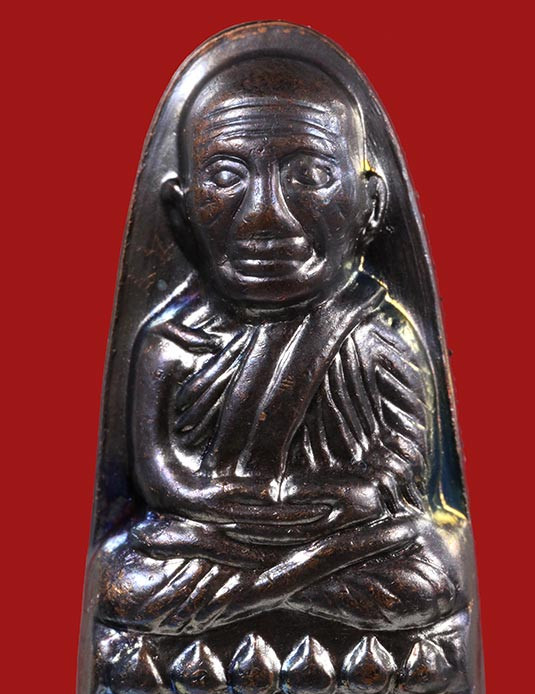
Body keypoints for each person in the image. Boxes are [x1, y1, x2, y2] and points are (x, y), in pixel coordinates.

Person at [93, 56, 459, 636]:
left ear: (369, 204)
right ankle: (280, 595)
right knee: (126, 579)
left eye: (308, 175)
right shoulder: (170, 344)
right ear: (180, 213)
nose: (264, 215)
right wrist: (226, 502)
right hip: (214, 540)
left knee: (431, 570)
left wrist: (354, 496)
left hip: (344, 537)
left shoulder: (373, 333)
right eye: (226, 177)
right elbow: (162, 481)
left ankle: (243, 604)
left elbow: (404, 460)